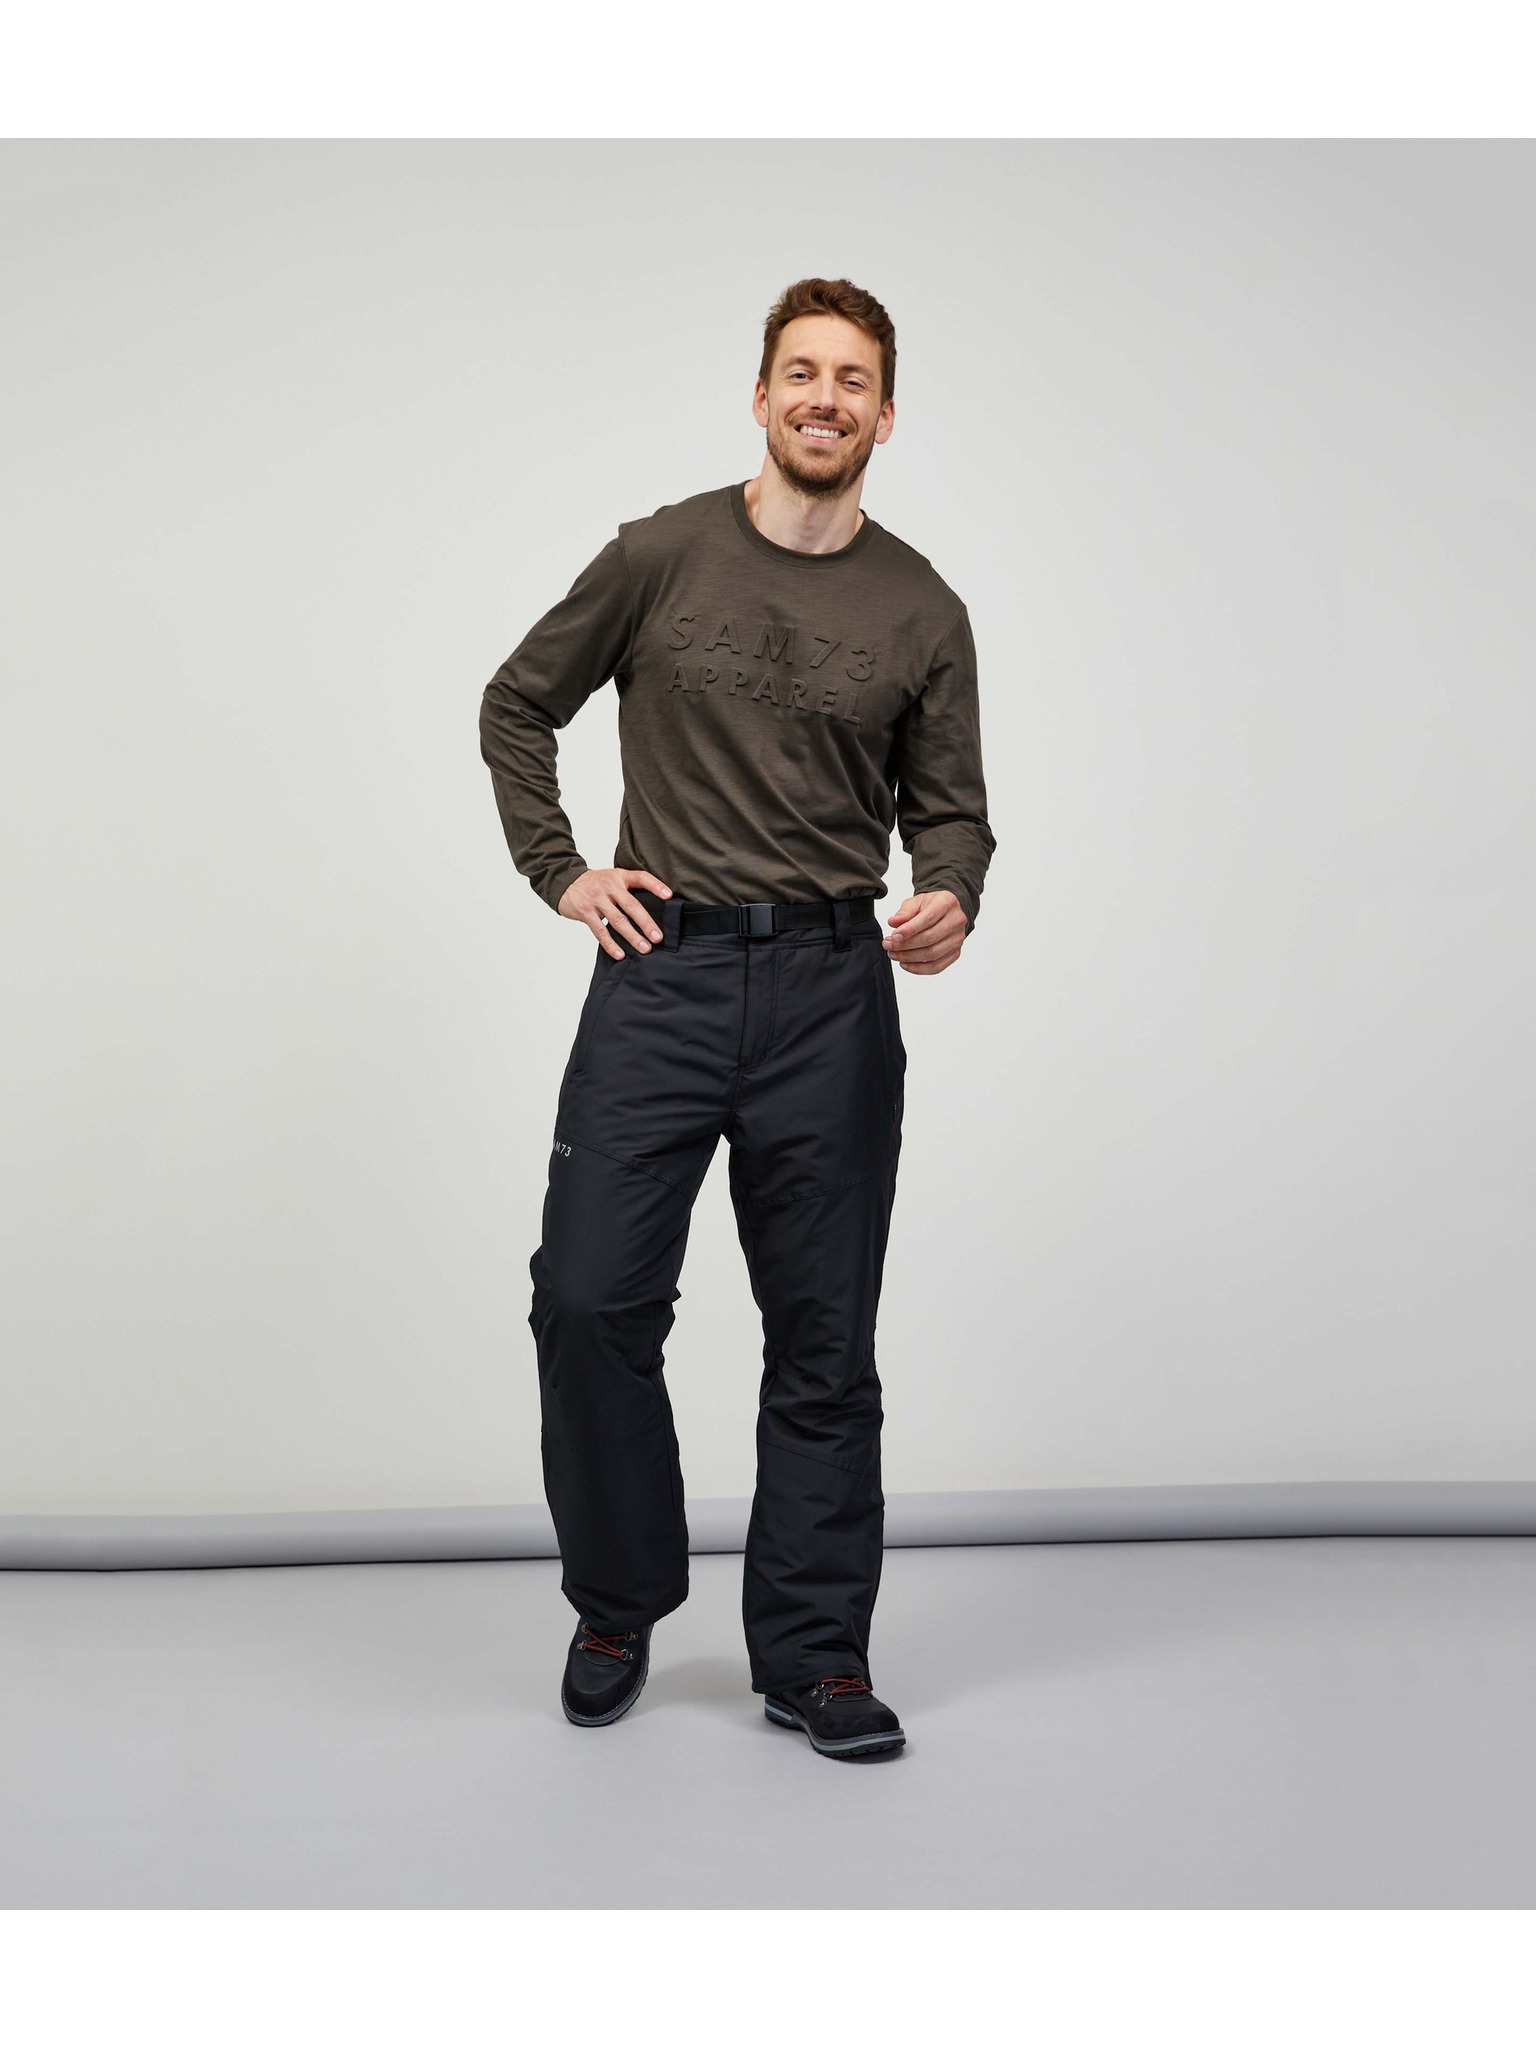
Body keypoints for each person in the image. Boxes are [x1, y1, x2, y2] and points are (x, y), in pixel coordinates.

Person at [478, 276, 995, 1761]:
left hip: (831, 992)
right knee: (588, 1301)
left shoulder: (922, 608)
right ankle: (618, 1604)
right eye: (801, 373)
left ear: (884, 417)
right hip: (666, 978)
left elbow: (953, 810)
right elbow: (518, 703)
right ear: (761, 397)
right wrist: (562, 871)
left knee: (824, 1339)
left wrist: (950, 893)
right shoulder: (661, 555)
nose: (826, 398)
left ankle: (816, 1658)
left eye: (853, 380)